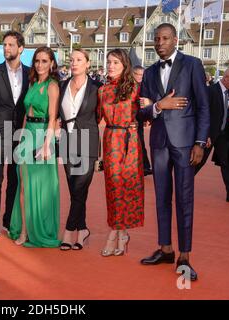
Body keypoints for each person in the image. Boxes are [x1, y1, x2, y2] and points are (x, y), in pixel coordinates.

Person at [137, 23, 210, 281]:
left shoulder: (192, 64)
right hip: (158, 143)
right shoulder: (149, 72)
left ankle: (185, 257)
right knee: (162, 197)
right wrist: (160, 105)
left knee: (184, 199)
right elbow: (142, 110)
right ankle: (166, 248)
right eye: (156, 39)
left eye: (165, 38)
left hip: (185, 143)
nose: (160, 43)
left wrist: (200, 143)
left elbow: (203, 106)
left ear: (175, 40)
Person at [8, 46, 61, 248]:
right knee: (23, 185)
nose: (40, 65)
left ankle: (36, 229)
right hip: (28, 133)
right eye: (37, 61)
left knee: (39, 187)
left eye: (44, 61)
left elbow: (53, 118)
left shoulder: (52, 85)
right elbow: (25, 113)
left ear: (52, 63)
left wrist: (47, 145)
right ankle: (24, 229)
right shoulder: (32, 83)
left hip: (42, 137)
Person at [0, 31, 30, 243]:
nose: (6, 48)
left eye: (11, 45)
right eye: (4, 45)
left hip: (22, 134)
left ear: (21, 48)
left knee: (15, 180)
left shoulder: (31, 73)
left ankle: (9, 221)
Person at [97, 49, 144, 257]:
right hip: (110, 140)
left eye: (115, 62)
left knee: (126, 188)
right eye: (109, 62)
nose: (111, 66)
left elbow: (145, 112)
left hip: (129, 142)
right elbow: (95, 116)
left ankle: (114, 235)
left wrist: (148, 110)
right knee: (113, 188)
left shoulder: (135, 88)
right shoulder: (102, 90)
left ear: (124, 65)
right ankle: (120, 233)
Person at [57, 49, 101, 251]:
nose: (74, 63)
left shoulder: (96, 88)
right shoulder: (62, 85)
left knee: (80, 187)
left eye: (79, 60)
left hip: (87, 142)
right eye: (72, 60)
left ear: (87, 64)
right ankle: (82, 229)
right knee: (75, 190)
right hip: (67, 141)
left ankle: (68, 231)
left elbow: (100, 114)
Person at [195, 68, 229, 203]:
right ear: (225, 78)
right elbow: (202, 114)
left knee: (228, 163)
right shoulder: (210, 91)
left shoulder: (227, 92)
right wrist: (204, 135)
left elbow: (224, 112)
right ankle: (179, 188)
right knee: (197, 163)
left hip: (222, 135)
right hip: (209, 135)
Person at [133, 65, 152, 176]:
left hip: (139, 119)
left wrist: (147, 118)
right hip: (130, 120)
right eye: (138, 74)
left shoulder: (144, 86)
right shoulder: (129, 86)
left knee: (140, 142)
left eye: (142, 75)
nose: (140, 77)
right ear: (133, 74)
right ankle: (143, 166)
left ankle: (145, 166)